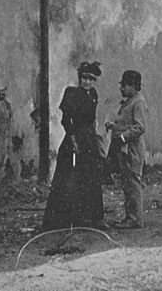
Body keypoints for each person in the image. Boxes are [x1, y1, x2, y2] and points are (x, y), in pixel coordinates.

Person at [42, 61, 107, 230]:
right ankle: (63, 220)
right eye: (84, 78)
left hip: (89, 141)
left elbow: (92, 121)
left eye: (91, 79)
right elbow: (66, 120)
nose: (87, 82)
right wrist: (73, 140)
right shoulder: (71, 93)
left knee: (91, 178)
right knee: (69, 178)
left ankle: (91, 218)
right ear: (80, 78)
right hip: (74, 138)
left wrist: (96, 140)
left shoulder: (93, 94)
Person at [107, 69, 148, 229]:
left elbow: (140, 127)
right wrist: (114, 126)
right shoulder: (130, 101)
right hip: (125, 150)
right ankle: (130, 216)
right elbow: (128, 123)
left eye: (124, 85)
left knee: (133, 183)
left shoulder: (138, 102)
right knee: (127, 183)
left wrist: (123, 137)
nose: (121, 89)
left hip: (132, 150)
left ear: (133, 86)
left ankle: (136, 219)